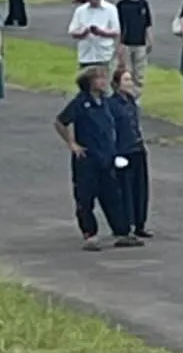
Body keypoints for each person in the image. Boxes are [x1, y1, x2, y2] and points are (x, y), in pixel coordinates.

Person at [54, 65, 139, 250]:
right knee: (85, 198)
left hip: (107, 156)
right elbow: (61, 121)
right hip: (87, 158)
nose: (103, 82)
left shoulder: (106, 103)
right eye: (99, 78)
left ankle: (121, 232)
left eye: (104, 78)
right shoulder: (80, 103)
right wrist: (72, 143)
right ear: (89, 82)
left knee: (112, 196)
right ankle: (89, 234)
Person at [111, 64, 152, 239]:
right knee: (125, 189)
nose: (129, 83)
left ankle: (140, 223)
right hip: (123, 151)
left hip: (137, 149)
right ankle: (125, 224)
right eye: (126, 80)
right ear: (117, 83)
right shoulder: (112, 105)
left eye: (130, 79)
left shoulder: (131, 102)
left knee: (141, 189)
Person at [68, 0, 121, 72]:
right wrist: (83, 33)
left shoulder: (111, 9)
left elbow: (116, 32)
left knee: (103, 83)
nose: (93, 0)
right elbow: (72, 31)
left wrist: (101, 32)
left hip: (104, 55)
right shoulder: (81, 11)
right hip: (86, 55)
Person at [116, 0, 153, 96]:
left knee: (139, 73)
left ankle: (136, 98)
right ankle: (125, 96)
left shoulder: (144, 4)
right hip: (126, 43)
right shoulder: (122, 4)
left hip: (140, 43)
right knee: (127, 72)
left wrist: (150, 40)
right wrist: (119, 44)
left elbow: (147, 24)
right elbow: (118, 26)